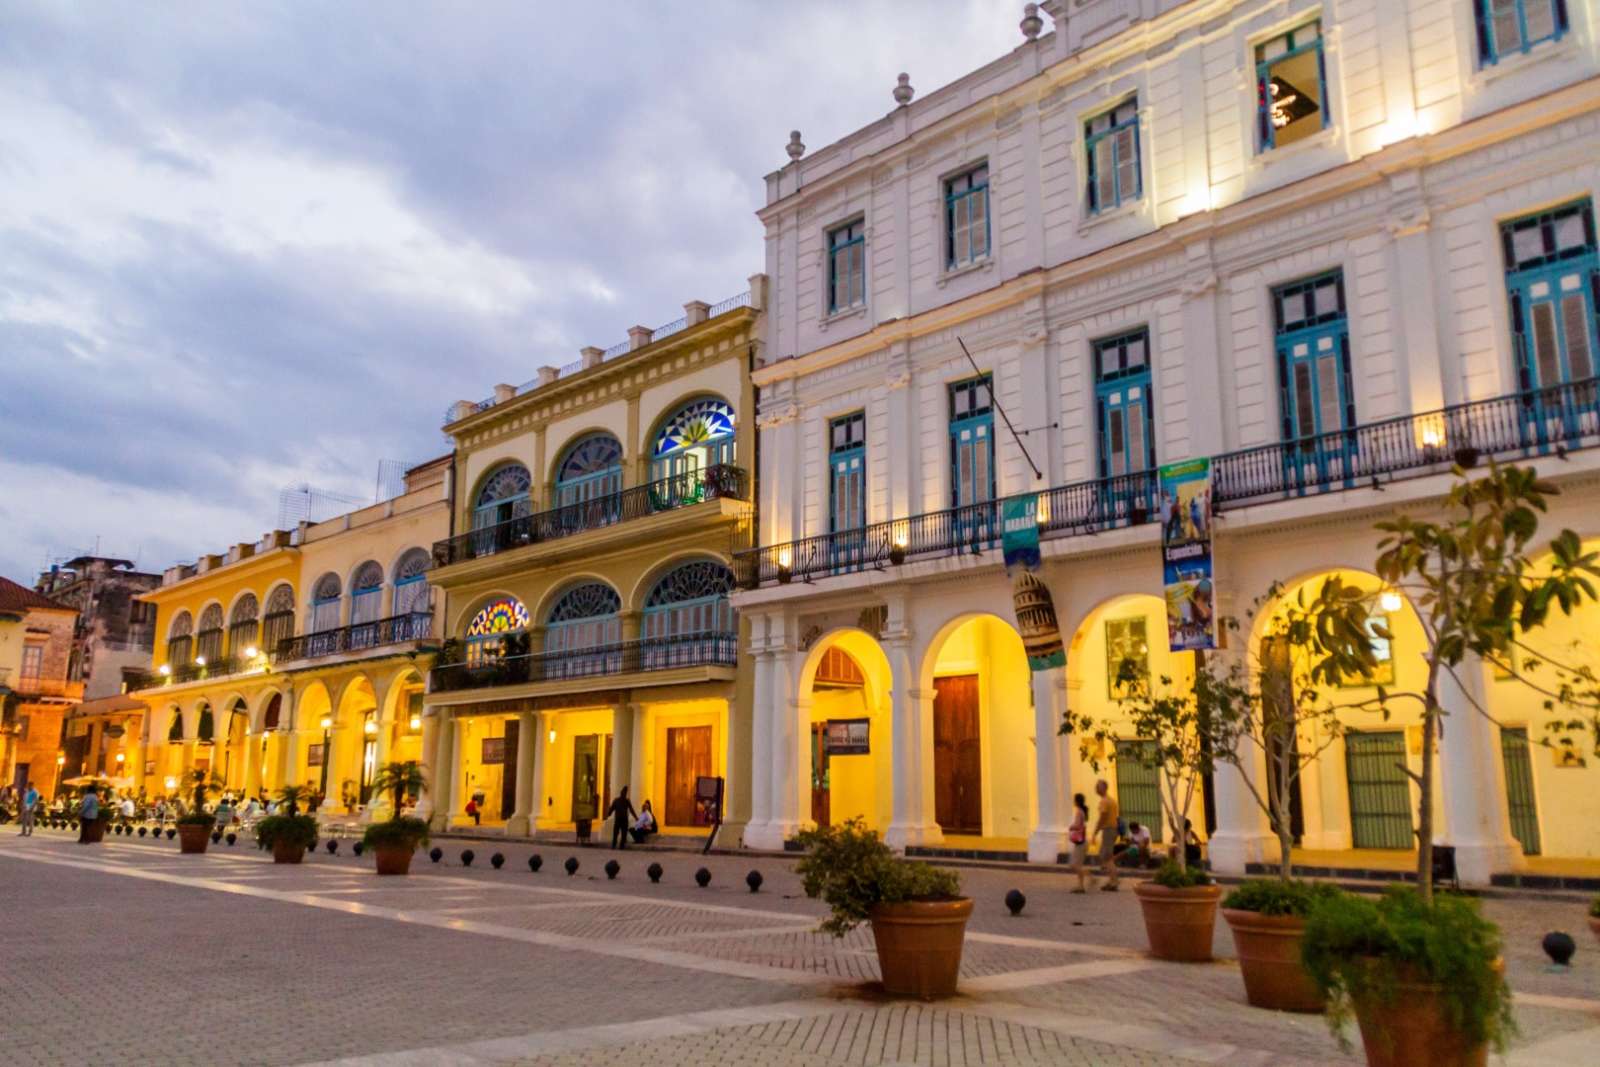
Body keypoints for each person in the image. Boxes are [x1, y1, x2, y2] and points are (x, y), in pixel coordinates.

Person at [1093, 779, 1120, 891]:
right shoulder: (1112, 800)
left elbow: (1102, 817)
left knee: (1107, 857)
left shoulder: (1104, 801)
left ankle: (1114, 881)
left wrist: (1096, 831)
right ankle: (1112, 880)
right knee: (1106, 856)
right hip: (1112, 829)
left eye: (1098, 786)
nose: (1096, 788)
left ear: (1103, 788)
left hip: (1108, 830)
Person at [1068, 792, 1090, 893]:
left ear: (1077, 801)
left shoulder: (1079, 812)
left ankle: (1084, 883)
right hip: (1082, 841)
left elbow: (1077, 825)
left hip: (1080, 842)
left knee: (1074, 865)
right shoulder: (1083, 811)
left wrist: (1071, 827)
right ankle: (1083, 883)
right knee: (1077, 865)